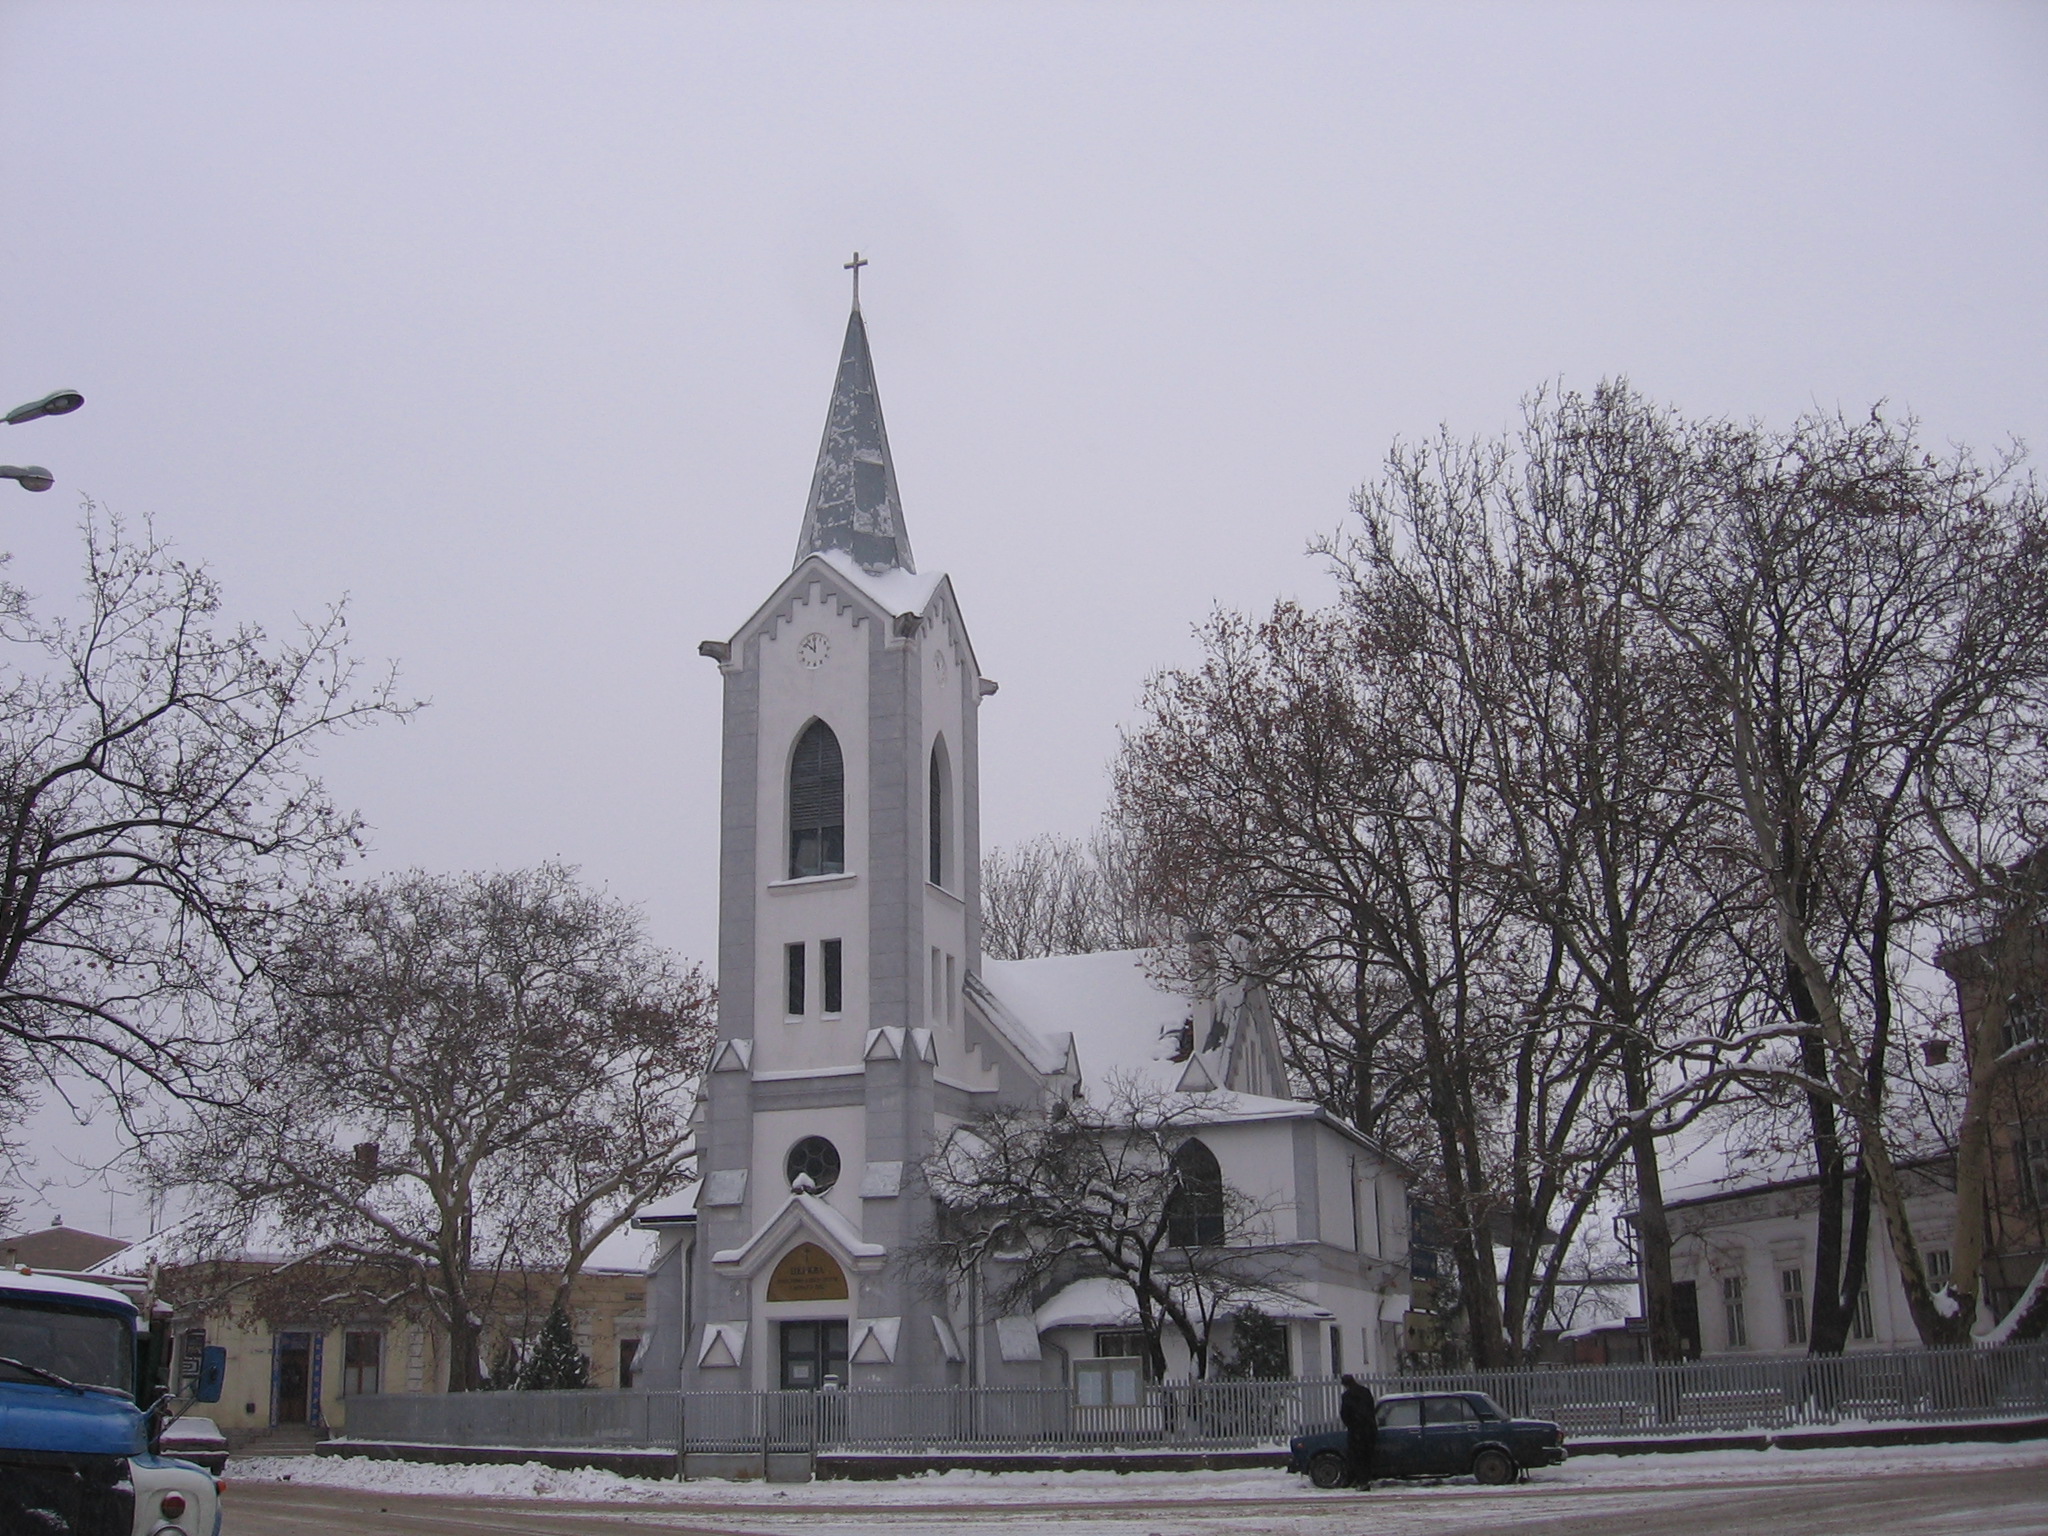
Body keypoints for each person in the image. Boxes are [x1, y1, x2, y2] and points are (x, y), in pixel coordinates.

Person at [1338, 1373, 1377, 1488]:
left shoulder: (1347, 1396)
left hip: (1356, 1430)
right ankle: (1366, 1479)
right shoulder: (1365, 1392)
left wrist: (1351, 1425)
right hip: (1369, 1429)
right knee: (1367, 1456)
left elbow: (1345, 1414)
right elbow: (1371, 1409)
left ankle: (1361, 1481)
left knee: (1357, 1457)